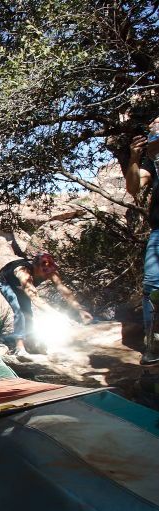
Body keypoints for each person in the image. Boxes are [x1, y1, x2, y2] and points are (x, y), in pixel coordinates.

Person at [0, 253, 93, 357]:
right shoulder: (23, 273)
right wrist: (57, 316)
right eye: (45, 271)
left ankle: (29, 343)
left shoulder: (50, 271)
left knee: (28, 312)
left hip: (23, 286)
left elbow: (63, 289)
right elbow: (36, 299)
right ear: (36, 268)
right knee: (19, 310)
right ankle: (19, 347)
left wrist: (80, 309)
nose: (48, 274)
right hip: (6, 282)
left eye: (49, 270)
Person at [125, 114, 159, 365]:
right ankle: (154, 343)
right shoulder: (151, 162)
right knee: (152, 286)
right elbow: (133, 187)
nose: (151, 129)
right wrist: (135, 159)